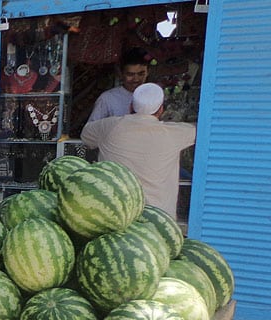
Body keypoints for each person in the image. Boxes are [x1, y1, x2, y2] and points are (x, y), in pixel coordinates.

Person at [81, 82, 196, 218]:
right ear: (160, 110)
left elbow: (86, 136)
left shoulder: (109, 126)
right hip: (157, 218)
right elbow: (204, 130)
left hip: (114, 213)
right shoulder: (175, 133)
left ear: (130, 107)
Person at [86, 47, 151, 123]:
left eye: (141, 74)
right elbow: (90, 131)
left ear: (148, 72)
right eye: (130, 74)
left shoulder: (154, 97)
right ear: (120, 73)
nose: (136, 79)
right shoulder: (107, 99)